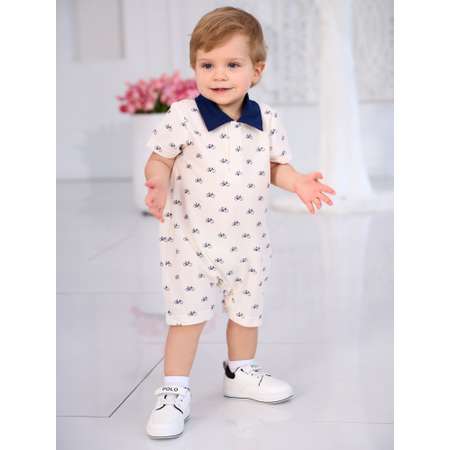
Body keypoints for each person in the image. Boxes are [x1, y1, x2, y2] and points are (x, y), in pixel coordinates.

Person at [143, 6, 336, 439]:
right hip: (190, 241)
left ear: (257, 70)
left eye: (232, 65)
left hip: (248, 241)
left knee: (247, 311)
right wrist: (157, 182)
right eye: (207, 65)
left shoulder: (266, 119)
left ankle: (241, 371)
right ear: (195, 67)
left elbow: (275, 166)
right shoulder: (183, 116)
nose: (219, 75)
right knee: (187, 317)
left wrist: (298, 182)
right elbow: (160, 158)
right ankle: (174, 389)